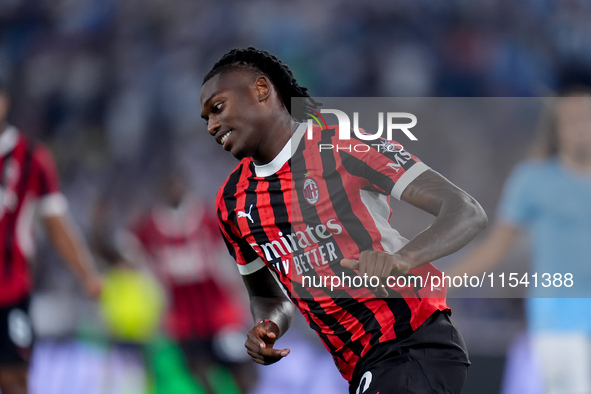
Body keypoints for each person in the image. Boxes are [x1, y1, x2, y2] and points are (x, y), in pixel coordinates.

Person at [200, 47, 487, 393]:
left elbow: (465, 210)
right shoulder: (232, 203)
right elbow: (268, 296)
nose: (212, 125)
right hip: (361, 366)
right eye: (206, 120)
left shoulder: (342, 145)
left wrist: (402, 259)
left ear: (262, 90)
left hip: (413, 342)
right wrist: (268, 324)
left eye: (217, 108)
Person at [449, 87, 591, 393]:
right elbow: (496, 247)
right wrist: (440, 283)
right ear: (557, 129)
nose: (581, 127)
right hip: (558, 317)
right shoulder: (533, 180)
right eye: (572, 120)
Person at [0, 79, 102, 394]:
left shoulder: (32, 158)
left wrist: (86, 273)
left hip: (11, 291)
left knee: (15, 378)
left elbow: (56, 225)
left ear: (4, 102)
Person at [125, 171, 254, 393]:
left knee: (238, 364)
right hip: (183, 314)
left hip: (218, 308)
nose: (174, 191)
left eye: (177, 186)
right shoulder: (151, 225)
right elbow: (127, 249)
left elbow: (238, 239)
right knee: (198, 367)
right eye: (169, 187)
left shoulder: (205, 216)